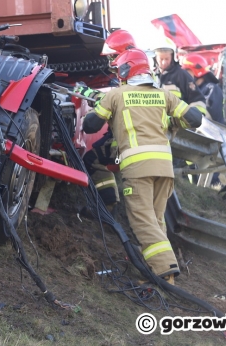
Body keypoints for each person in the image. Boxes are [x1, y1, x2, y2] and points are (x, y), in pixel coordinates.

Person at [82, 48, 203, 284]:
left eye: (119, 69)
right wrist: (168, 121)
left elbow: (90, 126)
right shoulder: (163, 95)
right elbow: (195, 119)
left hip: (138, 168)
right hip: (164, 169)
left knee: (142, 221)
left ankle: (165, 267)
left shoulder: (116, 95)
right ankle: (163, 279)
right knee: (156, 221)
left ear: (126, 70)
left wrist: (98, 107)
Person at [81, 29, 139, 211]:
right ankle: (110, 204)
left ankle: (107, 206)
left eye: (113, 56)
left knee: (91, 159)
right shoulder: (141, 75)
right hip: (144, 142)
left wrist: (84, 92)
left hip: (129, 141)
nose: (110, 62)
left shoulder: (130, 80)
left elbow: (115, 99)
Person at [182, 53, 224, 123]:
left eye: (187, 72)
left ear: (197, 72)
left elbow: (205, 118)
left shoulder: (211, 89)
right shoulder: (193, 90)